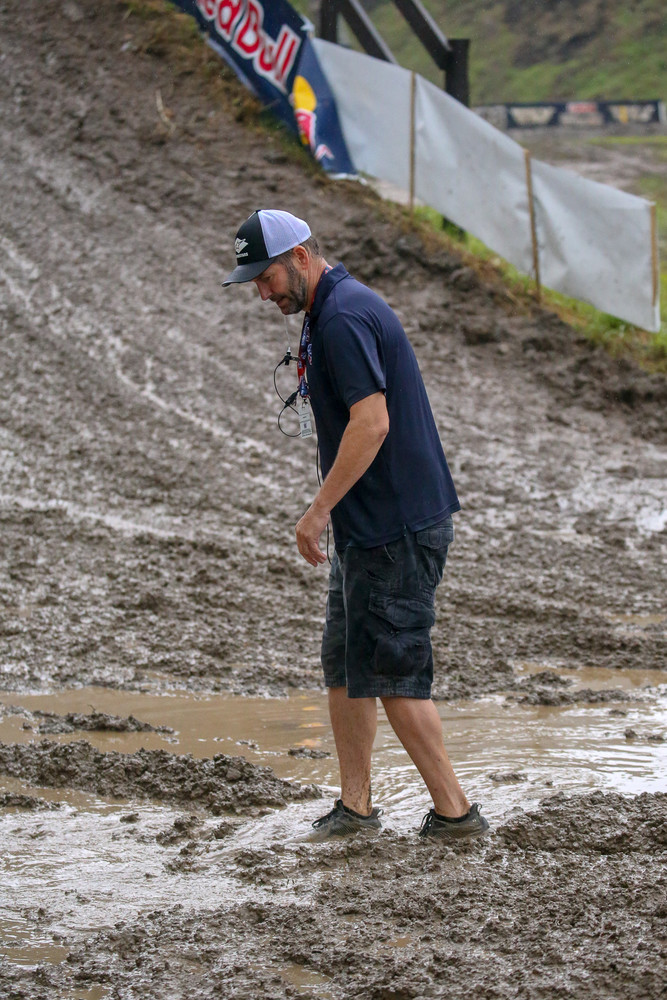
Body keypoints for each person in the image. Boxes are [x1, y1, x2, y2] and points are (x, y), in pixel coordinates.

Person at [223, 209, 489, 841]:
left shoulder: (342, 317)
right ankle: (356, 807)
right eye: (255, 281)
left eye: (266, 277)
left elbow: (373, 424)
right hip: (368, 528)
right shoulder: (328, 312)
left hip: (396, 526)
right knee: (346, 668)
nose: (263, 292)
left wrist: (317, 510)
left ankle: (457, 815)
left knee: (394, 676)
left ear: (301, 256)